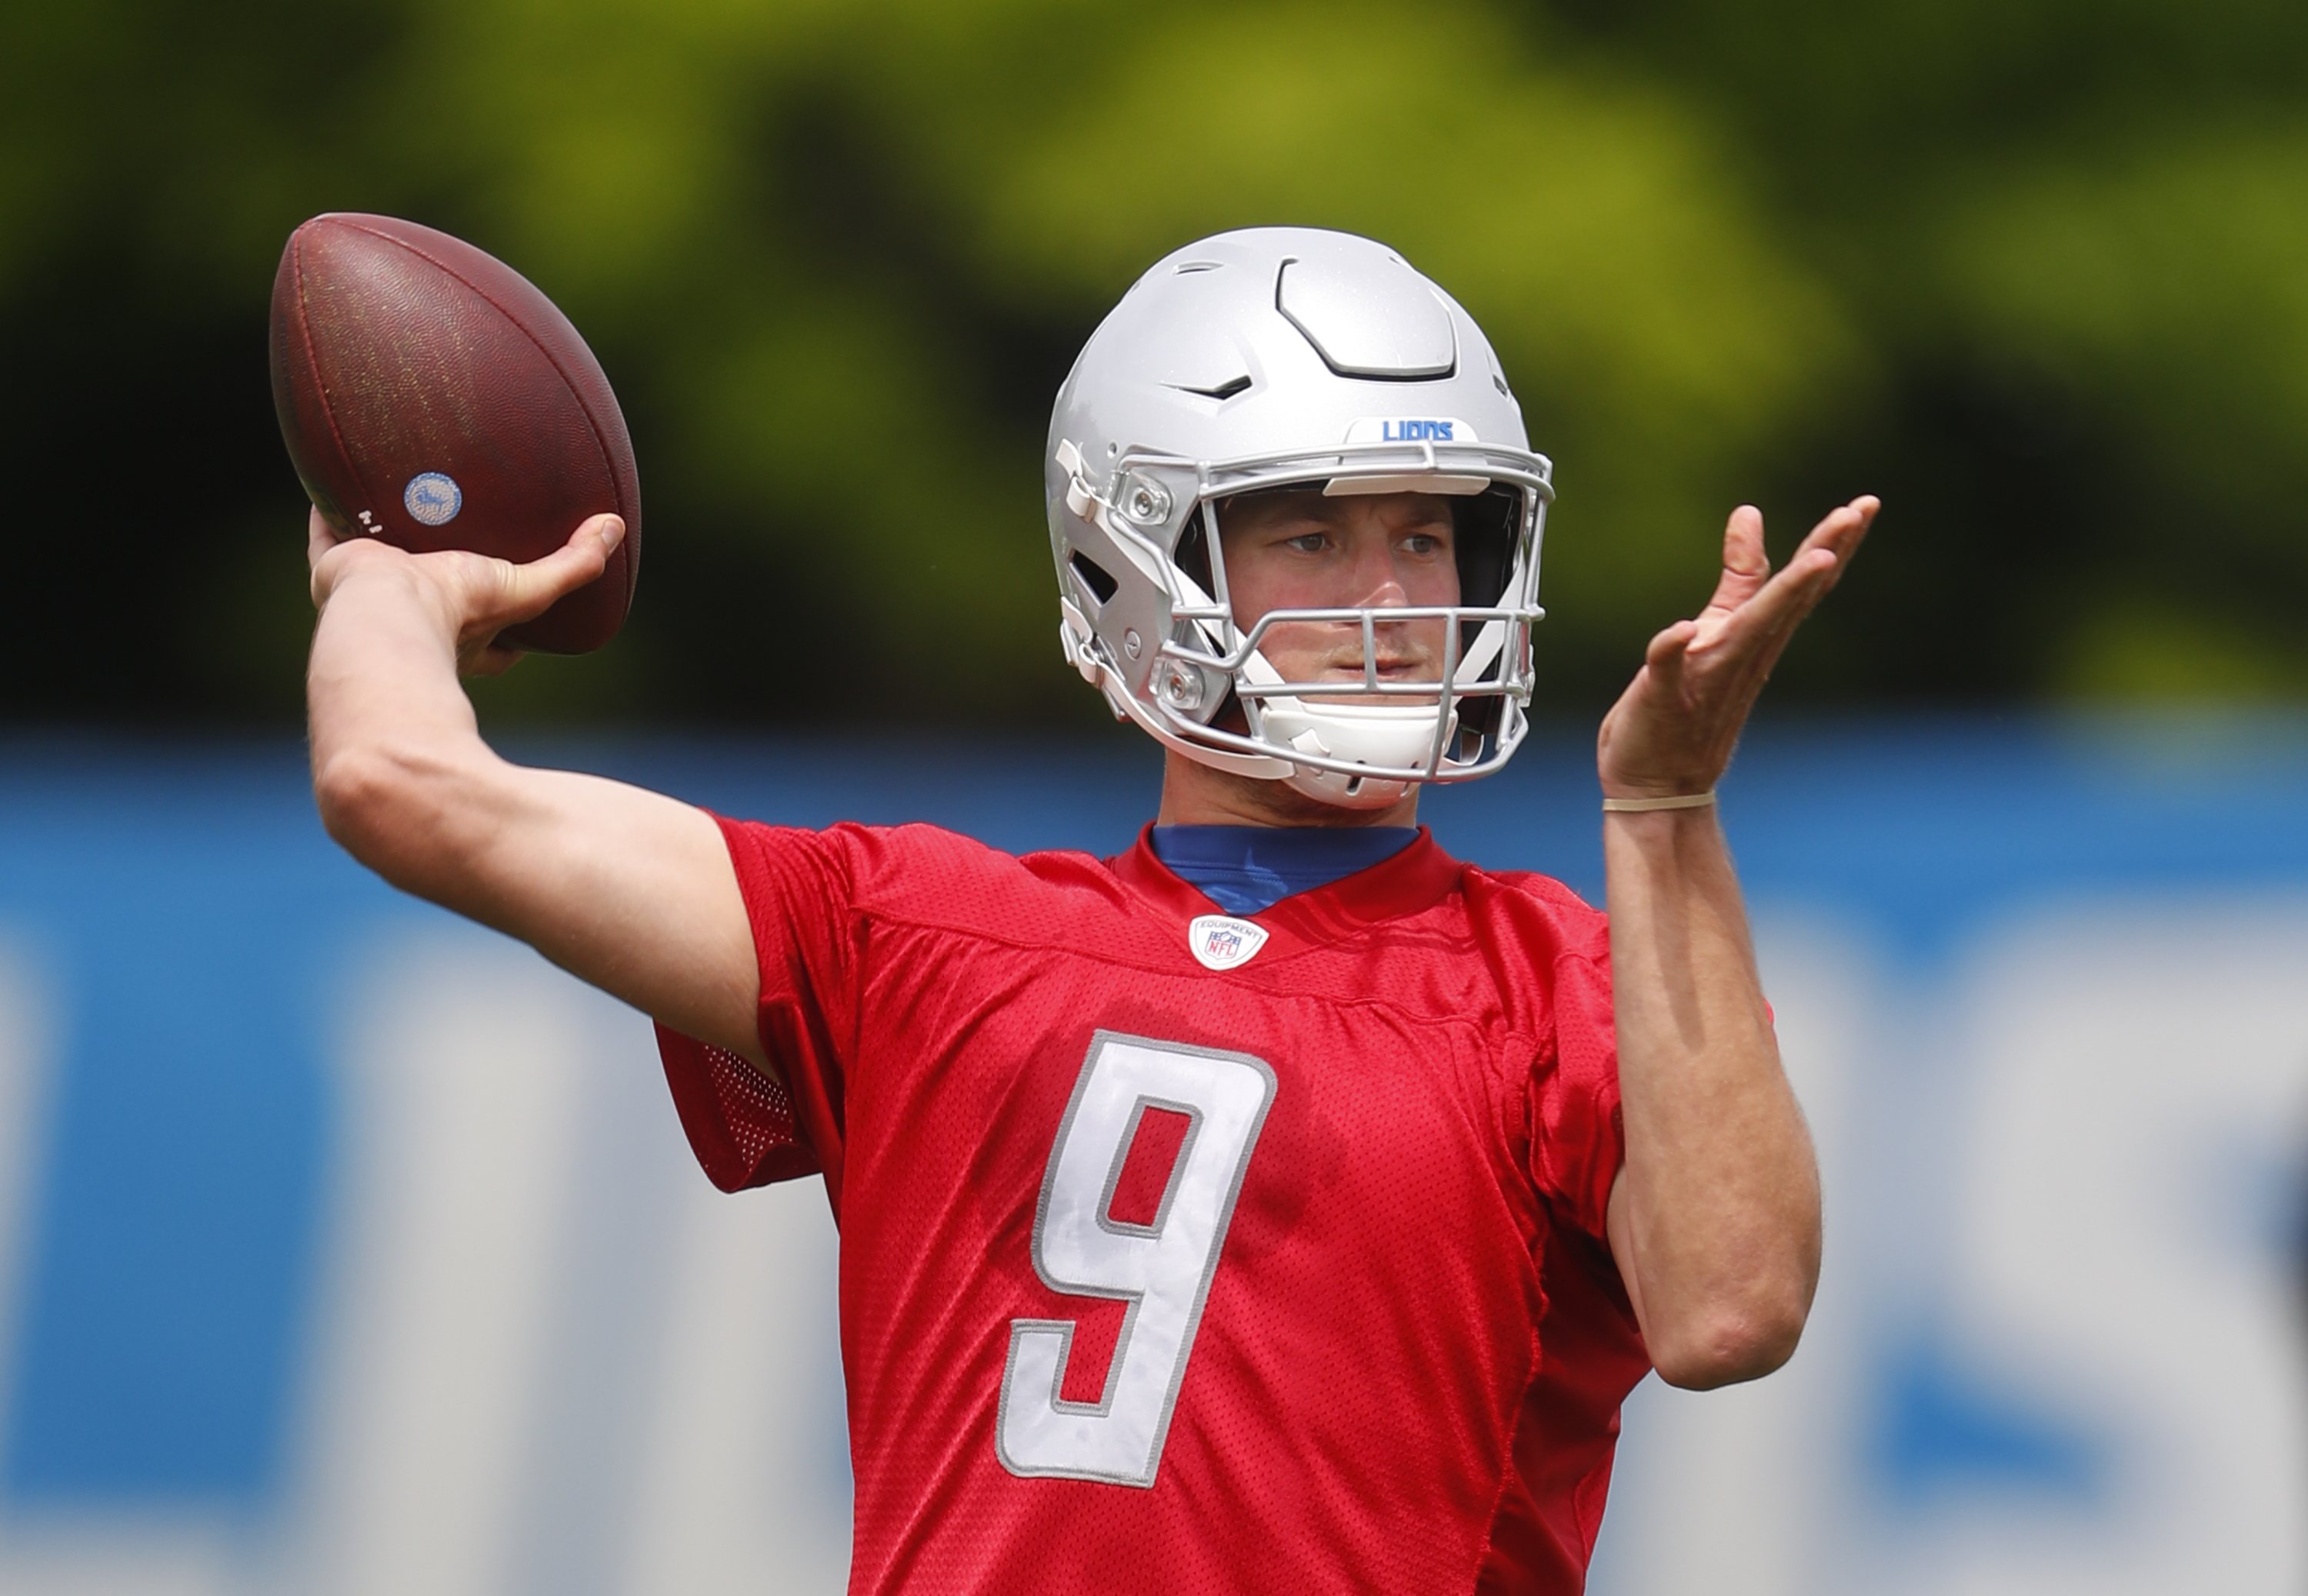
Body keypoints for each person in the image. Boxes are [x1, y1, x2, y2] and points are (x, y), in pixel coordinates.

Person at [305, 226, 1874, 1594]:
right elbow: (404, 786)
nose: (1395, 599)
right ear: (1137, 562)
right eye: (1314, 535)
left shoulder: (1556, 983)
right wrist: (387, 584)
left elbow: (1731, 1307)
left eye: (1424, 533)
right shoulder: (911, 935)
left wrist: (1666, 809)